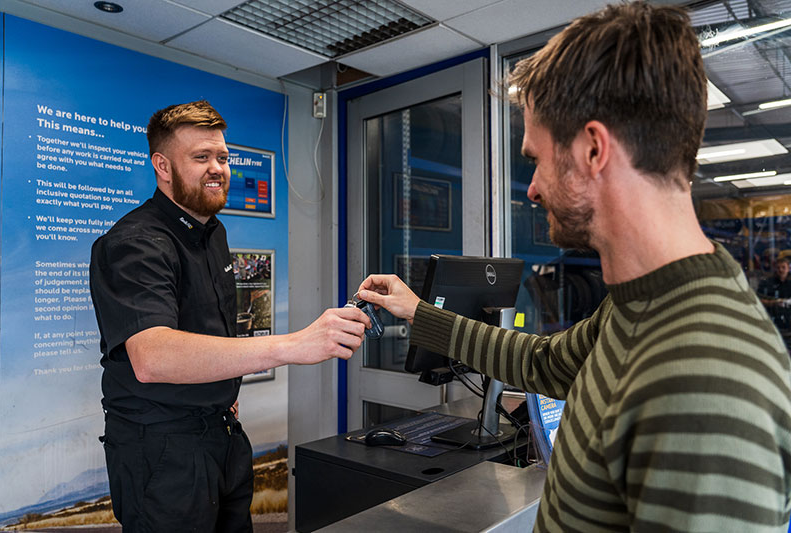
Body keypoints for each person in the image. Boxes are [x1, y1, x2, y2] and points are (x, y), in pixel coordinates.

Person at [358, 3, 791, 532]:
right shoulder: (641, 303)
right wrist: (420, 313)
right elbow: (541, 362)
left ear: (592, 149)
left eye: (536, 158)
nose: (533, 187)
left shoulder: (704, 381)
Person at [89, 100, 370, 532]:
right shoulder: (134, 243)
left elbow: (205, 327)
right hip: (163, 453)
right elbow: (152, 356)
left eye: (222, 156)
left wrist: (220, 387)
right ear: (162, 166)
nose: (217, 168)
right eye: (200, 157)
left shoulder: (212, 232)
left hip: (220, 435)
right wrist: (295, 345)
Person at [758, 256, 791, 331]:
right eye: (778, 267)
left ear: (788, 269)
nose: (780, 270)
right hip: (771, 320)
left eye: (783, 267)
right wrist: (773, 303)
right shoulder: (766, 283)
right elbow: (757, 299)